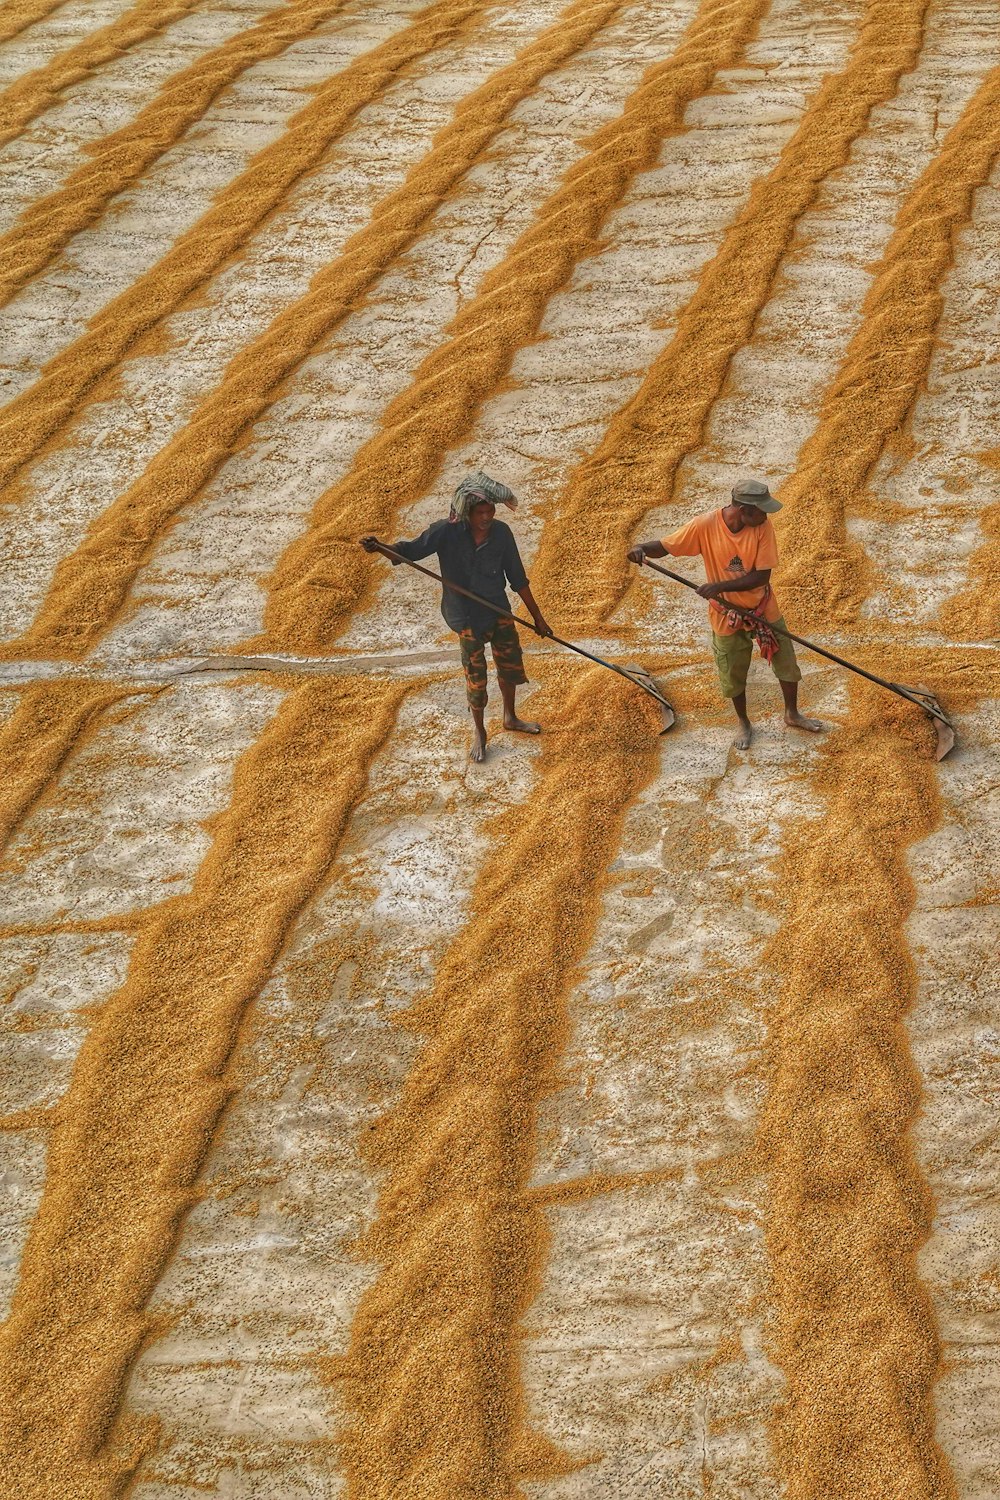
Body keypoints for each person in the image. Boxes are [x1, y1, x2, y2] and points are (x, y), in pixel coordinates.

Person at [362, 471, 551, 762]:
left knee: (509, 664)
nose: (486, 518)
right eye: (481, 513)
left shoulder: (501, 534)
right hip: (465, 618)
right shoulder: (445, 532)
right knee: (476, 678)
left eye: (490, 511)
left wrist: (538, 618)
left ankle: (510, 717)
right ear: (467, 513)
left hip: (497, 609)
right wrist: (382, 548)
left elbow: (518, 578)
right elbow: (409, 551)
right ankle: (479, 731)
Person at [627, 478, 822, 749]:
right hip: (724, 614)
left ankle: (792, 713)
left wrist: (719, 586)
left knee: (786, 661)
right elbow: (667, 546)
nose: (766, 516)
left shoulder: (762, 528)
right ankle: (743, 722)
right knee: (732, 671)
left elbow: (762, 576)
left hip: (762, 607)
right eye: (762, 511)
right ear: (744, 510)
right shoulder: (705, 525)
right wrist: (642, 549)